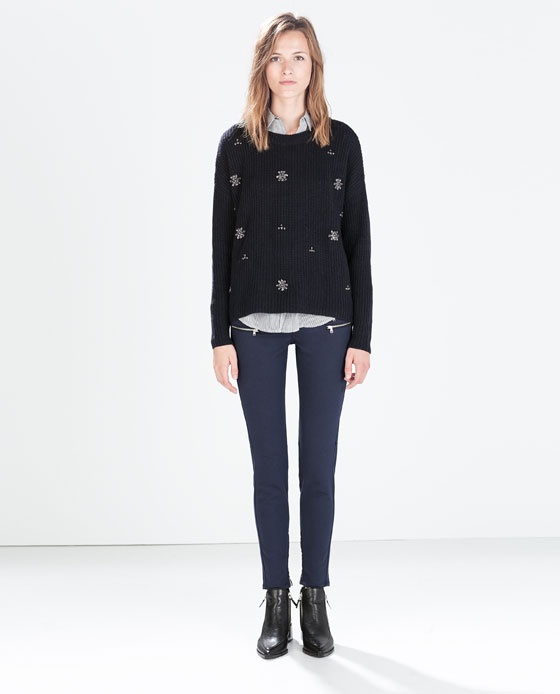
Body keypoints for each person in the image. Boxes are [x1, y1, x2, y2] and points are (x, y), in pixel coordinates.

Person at [210, 12, 372, 660]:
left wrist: (363, 337)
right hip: (253, 325)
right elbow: (221, 247)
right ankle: (275, 596)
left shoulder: (342, 143)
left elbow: (359, 243)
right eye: (277, 56)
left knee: (319, 469)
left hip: (329, 323)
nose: (287, 68)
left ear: (313, 67)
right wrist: (218, 334)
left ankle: (316, 595)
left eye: (298, 57)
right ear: (263, 67)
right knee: (269, 471)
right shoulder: (236, 146)